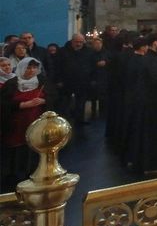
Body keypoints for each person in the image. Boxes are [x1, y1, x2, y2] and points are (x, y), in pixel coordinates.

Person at [124, 36, 157, 175]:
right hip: (154, 102)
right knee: (155, 135)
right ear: (155, 43)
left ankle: (143, 162)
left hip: (148, 100)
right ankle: (155, 165)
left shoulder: (147, 59)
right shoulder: (152, 60)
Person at [0, 58, 52, 190]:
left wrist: (43, 101)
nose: (32, 70)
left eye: (34, 68)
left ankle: (33, 171)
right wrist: (22, 104)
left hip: (37, 122)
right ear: (22, 68)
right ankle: (13, 175)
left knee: (34, 147)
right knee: (17, 147)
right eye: (28, 68)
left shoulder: (42, 81)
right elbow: (3, 103)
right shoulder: (12, 84)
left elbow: (54, 97)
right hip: (16, 123)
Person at [56, 33, 94, 124]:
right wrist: (58, 80)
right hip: (66, 81)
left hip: (82, 81)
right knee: (65, 102)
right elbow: (57, 66)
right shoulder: (62, 51)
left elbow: (92, 66)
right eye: (77, 42)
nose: (79, 44)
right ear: (72, 41)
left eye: (81, 42)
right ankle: (64, 121)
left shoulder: (89, 51)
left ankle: (79, 120)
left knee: (81, 102)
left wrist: (91, 79)